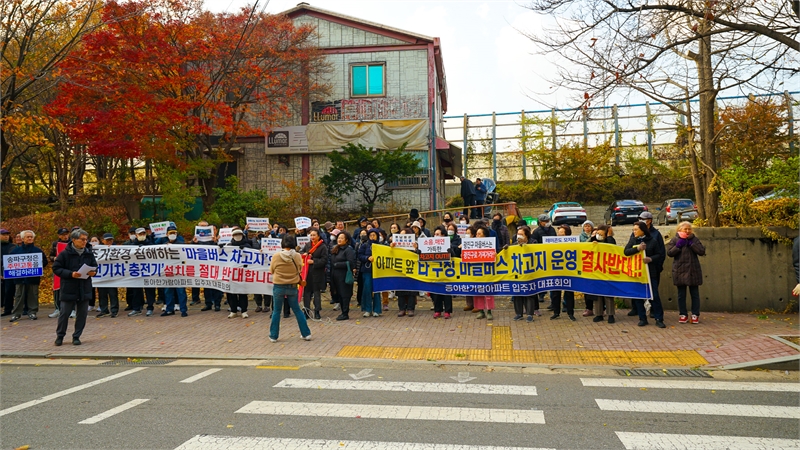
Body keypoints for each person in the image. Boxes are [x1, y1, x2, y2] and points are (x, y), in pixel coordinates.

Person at [52, 229, 98, 346]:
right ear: (73, 240)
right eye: (82, 239)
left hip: (84, 287)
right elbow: (56, 268)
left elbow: (94, 266)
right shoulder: (65, 253)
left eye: (86, 239)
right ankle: (60, 336)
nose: (84, 242)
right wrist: (70, 274)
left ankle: (76, 336)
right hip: (69, 288)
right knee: (64, 314)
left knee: (82, 315)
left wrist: (93, 272)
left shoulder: (88, 253)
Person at [268, 234, 311, 342]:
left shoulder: (276, 256)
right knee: (297, 310)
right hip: (292, 285)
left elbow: (271, 270)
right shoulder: (297, 256)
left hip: (279, 286)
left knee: (276, 311)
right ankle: (306, 334)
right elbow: (300, 269)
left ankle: (273, 336)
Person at [624, 221, 665, 328]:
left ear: (643, 230)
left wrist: (650, 259)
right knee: (638, 296)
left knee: (654, 296)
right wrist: (637, 249)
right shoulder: (633, 240)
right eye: (633, 230)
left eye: (636, 229)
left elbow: (659, 254)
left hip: (650, 273)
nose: (634, 231)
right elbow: (626, 252)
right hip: (638, 273)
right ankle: (642, 318)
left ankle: (659, 318)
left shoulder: (652, 240)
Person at [666, 221, 706, 324]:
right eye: (685, 229)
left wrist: (692, 245)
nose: (687, 231)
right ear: (680, 230)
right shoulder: (675, 239)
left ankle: (695, 314)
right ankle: (683, 314)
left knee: (695, 294)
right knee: (681, 294)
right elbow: (670, 253)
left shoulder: (694, 239)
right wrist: (678, 246)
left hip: (693, 270)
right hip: (680, 270)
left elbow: (701, 251)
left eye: (689, 229)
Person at [9, 230, 48, 322]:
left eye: (31, 237)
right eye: (28, 237)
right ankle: (16, 314)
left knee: (33, 295)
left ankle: (32, 312)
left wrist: (37, 267)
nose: (30, 238)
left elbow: (45, 262)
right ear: (23, 239)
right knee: (19, 296)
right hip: (19, 278)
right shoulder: (15, 251)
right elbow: (9, 263)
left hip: (33, 278)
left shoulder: (38, 251)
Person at [156, 226, 189, 317]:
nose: (172, 234)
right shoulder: (164, 245)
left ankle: (183, 310)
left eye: (174, 233)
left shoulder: (181, 245)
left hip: (179, 271)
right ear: (167, 234)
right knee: (168, 291)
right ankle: (169, 309)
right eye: (170, 233)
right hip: (168, 271)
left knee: (181, 291)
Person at [509, 226, 538, 322]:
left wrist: (525, 247)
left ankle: (530, 314)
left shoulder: (533, 243)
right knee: (517, 294)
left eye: (521, 234)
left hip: (529, 272)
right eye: (518, 234)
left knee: (529, 294)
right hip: (517, 273)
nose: (519, 236)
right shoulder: (514, 245)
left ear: (526, 236)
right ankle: (519, 313)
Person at [590, 225, 618, 324]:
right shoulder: (593, 240)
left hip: (607, 271)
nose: (599, 235)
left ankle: (610, 314)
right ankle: (598, 314)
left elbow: (613, 248)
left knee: (608, 293)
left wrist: (609, 236)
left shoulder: (610, 240)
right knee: (597, 294)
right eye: (598, 233)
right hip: (596, 270)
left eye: (601, 234)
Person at [301, 228, 328, 320]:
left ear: (318, 236)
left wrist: (314, 261)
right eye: (311, 235)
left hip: (317, 273)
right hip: (307, 273)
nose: (312, 237)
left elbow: (324, 260)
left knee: (316, 293)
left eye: (314, 235)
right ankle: (306, 311)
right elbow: (301, 252)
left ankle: (317, 311)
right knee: (306, 293)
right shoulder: (308, 245)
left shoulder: (322, 246)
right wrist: (304, 254)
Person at [224, 228, 251, 318]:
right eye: (235, 235)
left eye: (239, 234)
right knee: (231, 293)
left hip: (243, 272)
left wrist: (246, 249)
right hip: (231, 273)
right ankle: (233, 310)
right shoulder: (229, 245)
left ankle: (244, 310)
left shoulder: (247, 245)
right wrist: (220, 248)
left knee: (242, 292)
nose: (237, 236)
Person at [532, 214, 556, 313]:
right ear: (540, 222)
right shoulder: (536, 231)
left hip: (552, 257)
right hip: (541, 257)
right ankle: (541, 294)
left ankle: (553, 302)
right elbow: (534, 243)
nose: (546, 223)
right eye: (544, 221)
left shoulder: (552, 230)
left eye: (548, 221)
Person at [330, 231, 356, 321]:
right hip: (335, 275)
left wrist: (338, 264)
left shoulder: (348, 250)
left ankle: (345, 313)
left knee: (345, 294)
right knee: (339, 294)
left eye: (342, 238)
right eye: (338, 238)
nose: (339, 240)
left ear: (346, 240)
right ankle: (342, 311)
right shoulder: (335, 248)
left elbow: (351, 262)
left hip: (344, 275)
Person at [358, 228, 383, 317]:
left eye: (374, 235)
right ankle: (367, 309)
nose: (372, 237)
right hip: (367, 270)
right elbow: (359, 255)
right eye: (370, 235)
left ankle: (377, 310)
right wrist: (367, 258)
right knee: (367, 289)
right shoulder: (365, 245)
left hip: (378, 271)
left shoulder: (381, 246)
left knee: (377, 290)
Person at [472, 224, 495, 320]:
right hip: (476, 271)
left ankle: (489, 311)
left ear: (485, 235)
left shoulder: (490, 245)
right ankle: (481, 310)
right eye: (476, 234)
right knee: (478, 291)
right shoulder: (471, 245)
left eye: (479, 234)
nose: (477, 236)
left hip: (487, 271)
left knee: (488, 292)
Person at [48, 227, 71, 318]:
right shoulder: (55, 244)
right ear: (59, 236)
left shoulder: (72, 243)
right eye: (63, 235)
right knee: (57, 289)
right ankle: (57, 309)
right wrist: (54, 258)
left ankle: (72, 309)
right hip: (58, 268)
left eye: (66, 234)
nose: (65, 236)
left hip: (70, 268)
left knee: (70, 289)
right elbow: (50, 256)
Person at [95, 233, 120, 318]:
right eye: (107, 240)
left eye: (111, 240)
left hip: (112, 275)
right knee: (102, 294)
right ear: (103, 241)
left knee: (113, 294)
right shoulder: (98, 249)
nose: (109, 242)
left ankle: (114, 310)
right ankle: (104, 310)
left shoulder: (117, 249)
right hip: (102, 275)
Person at [1, 228, 17, 317]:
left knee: (10, 291)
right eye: (3, 235)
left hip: (11, 272)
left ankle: (9, 309)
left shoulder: (13, 247)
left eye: (7, 235)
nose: (6, 236)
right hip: (2, 272)